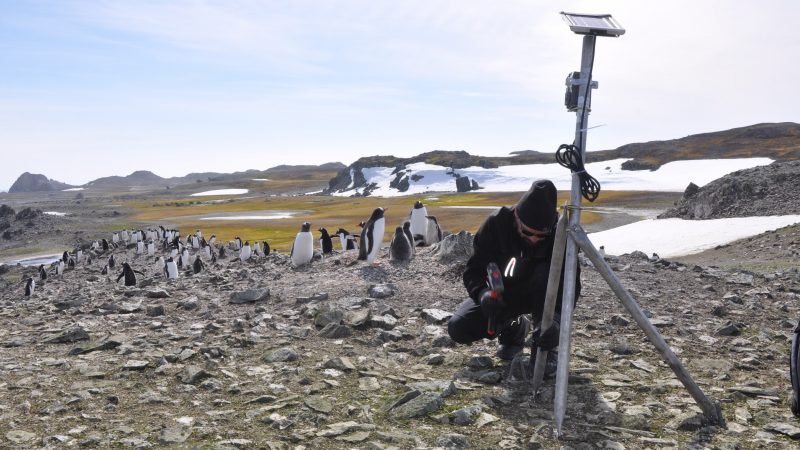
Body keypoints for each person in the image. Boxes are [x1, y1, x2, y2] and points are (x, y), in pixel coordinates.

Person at [448, 179, 581, 369]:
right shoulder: (496, 224)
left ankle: (544, 346)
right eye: (528, 232)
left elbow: (570, 284)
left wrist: (557, 322)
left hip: (544, 300)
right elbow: (474, 270)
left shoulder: (561, 235)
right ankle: (514, 328)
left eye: (541, 235)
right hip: (503, 296)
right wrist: (483, 294)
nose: (534, 239)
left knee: (542, 365)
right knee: (459, 327)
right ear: (516, 216)